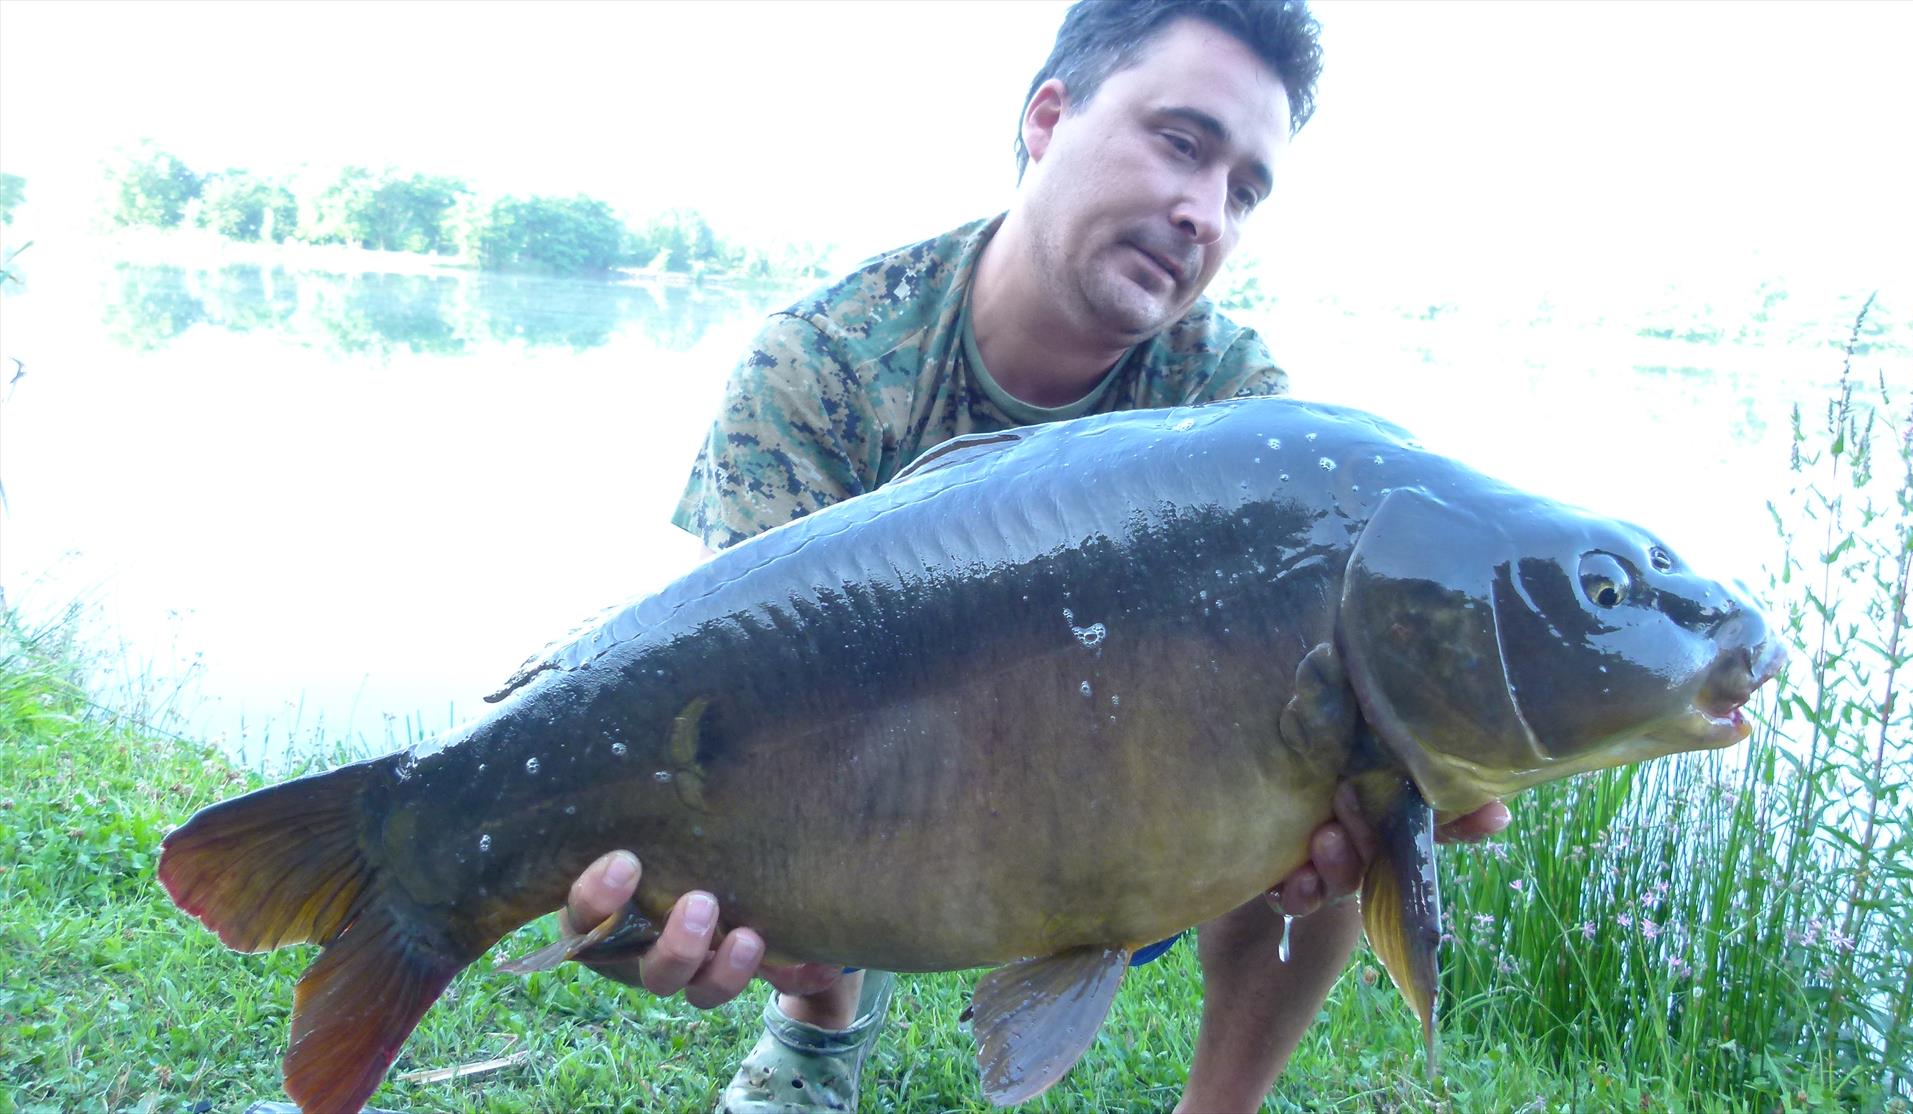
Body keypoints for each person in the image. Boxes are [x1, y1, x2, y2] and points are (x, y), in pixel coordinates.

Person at [563, 2, 1511, 1111]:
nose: (1202, 211)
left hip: (1130, 797)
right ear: (1048, 117)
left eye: (1244, 189)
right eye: (1181, 142)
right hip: (874, 786)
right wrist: (629, 904)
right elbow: (732, 699)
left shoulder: (1239, 411)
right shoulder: (825, 360)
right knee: (745, 810)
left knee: (1342, 750)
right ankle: (818, 1028)